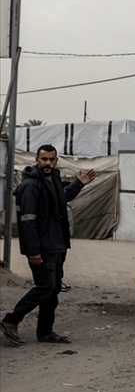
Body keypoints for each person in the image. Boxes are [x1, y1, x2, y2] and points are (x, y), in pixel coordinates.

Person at [2, 144, 95, 346]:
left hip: (57, 245)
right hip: (41, 248)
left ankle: (44, 331)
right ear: (36, 160)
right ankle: (11, 320)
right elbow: (27, 221)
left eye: (51, 159)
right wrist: (33, 250)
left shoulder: (53, 179)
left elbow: (61, 199)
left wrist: (78, 184)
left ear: (56, 160)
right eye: (44, 159)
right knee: (45, 286)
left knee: (53, 290)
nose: (48, 163)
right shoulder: (30, 186)